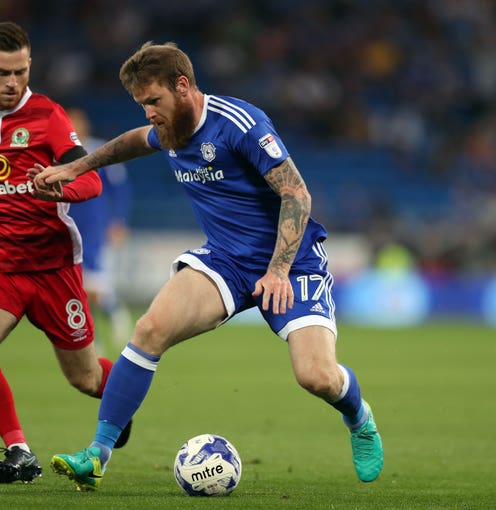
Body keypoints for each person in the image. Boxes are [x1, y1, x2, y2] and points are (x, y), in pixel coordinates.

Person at [29, 41, 384, 491]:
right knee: (149, 329)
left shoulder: (239, 124)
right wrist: (77, 168)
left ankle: (360, 416)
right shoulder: (169, 128)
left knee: (316, 376)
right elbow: (132, 143)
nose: (149, 114)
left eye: (153, 101)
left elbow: (298, 195)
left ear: (183, 87)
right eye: (141, 105)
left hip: (291, 264)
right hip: (224, 262)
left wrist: (277, 270)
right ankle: (97, 455)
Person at [0, 21, 130, 485]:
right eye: (1, 73)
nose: (13, 83)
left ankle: (124, 398)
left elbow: (91, 179)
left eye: (21, 72)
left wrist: (63, 183)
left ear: (30, 66)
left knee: (87, 379)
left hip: (54, 269)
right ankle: (19, 452)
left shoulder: (50, 116)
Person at [64, 107, 133, 348]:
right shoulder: (57, 155)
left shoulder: (100, 151)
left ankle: (114, 317)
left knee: (93, 287)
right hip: (67, 228)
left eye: (77, 121)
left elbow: (120, 189)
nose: (74, 126)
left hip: (95, 228)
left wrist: (118, 221)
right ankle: (94, 338)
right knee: (74, 288)